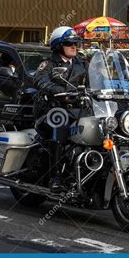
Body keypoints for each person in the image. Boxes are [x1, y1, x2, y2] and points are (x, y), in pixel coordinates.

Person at [33, 26, 88, 193]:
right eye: (69, 43)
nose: (74, 46)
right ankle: (55, 177)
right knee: (60, 127)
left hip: (78, 110)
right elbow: (39, 80)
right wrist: (56, 90)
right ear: (58, 46)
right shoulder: (49, 64)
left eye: (76, 43)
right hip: (52, 111)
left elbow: (98, 78)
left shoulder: (82, 62)